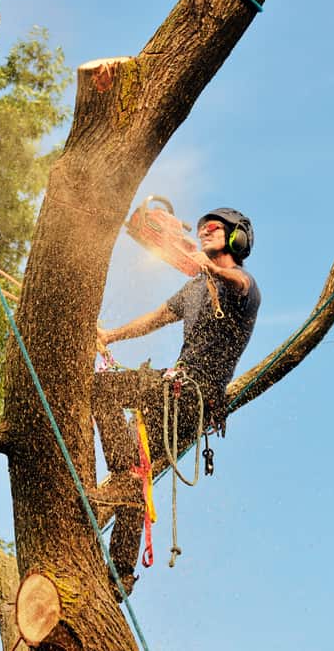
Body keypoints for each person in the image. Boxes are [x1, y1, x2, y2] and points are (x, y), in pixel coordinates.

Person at [91, 207, 261, 599]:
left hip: (192, 398)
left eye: (214, 230)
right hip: (168, 395)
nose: (205, 233)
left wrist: (211, 268)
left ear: (237, 239)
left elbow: (238, 280)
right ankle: (121, 571)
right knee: (135, 473)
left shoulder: (242, 287)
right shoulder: (193, 289)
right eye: (201, 230)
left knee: (102, 389)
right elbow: (154, 318)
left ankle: (122, 471)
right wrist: (110, 335)